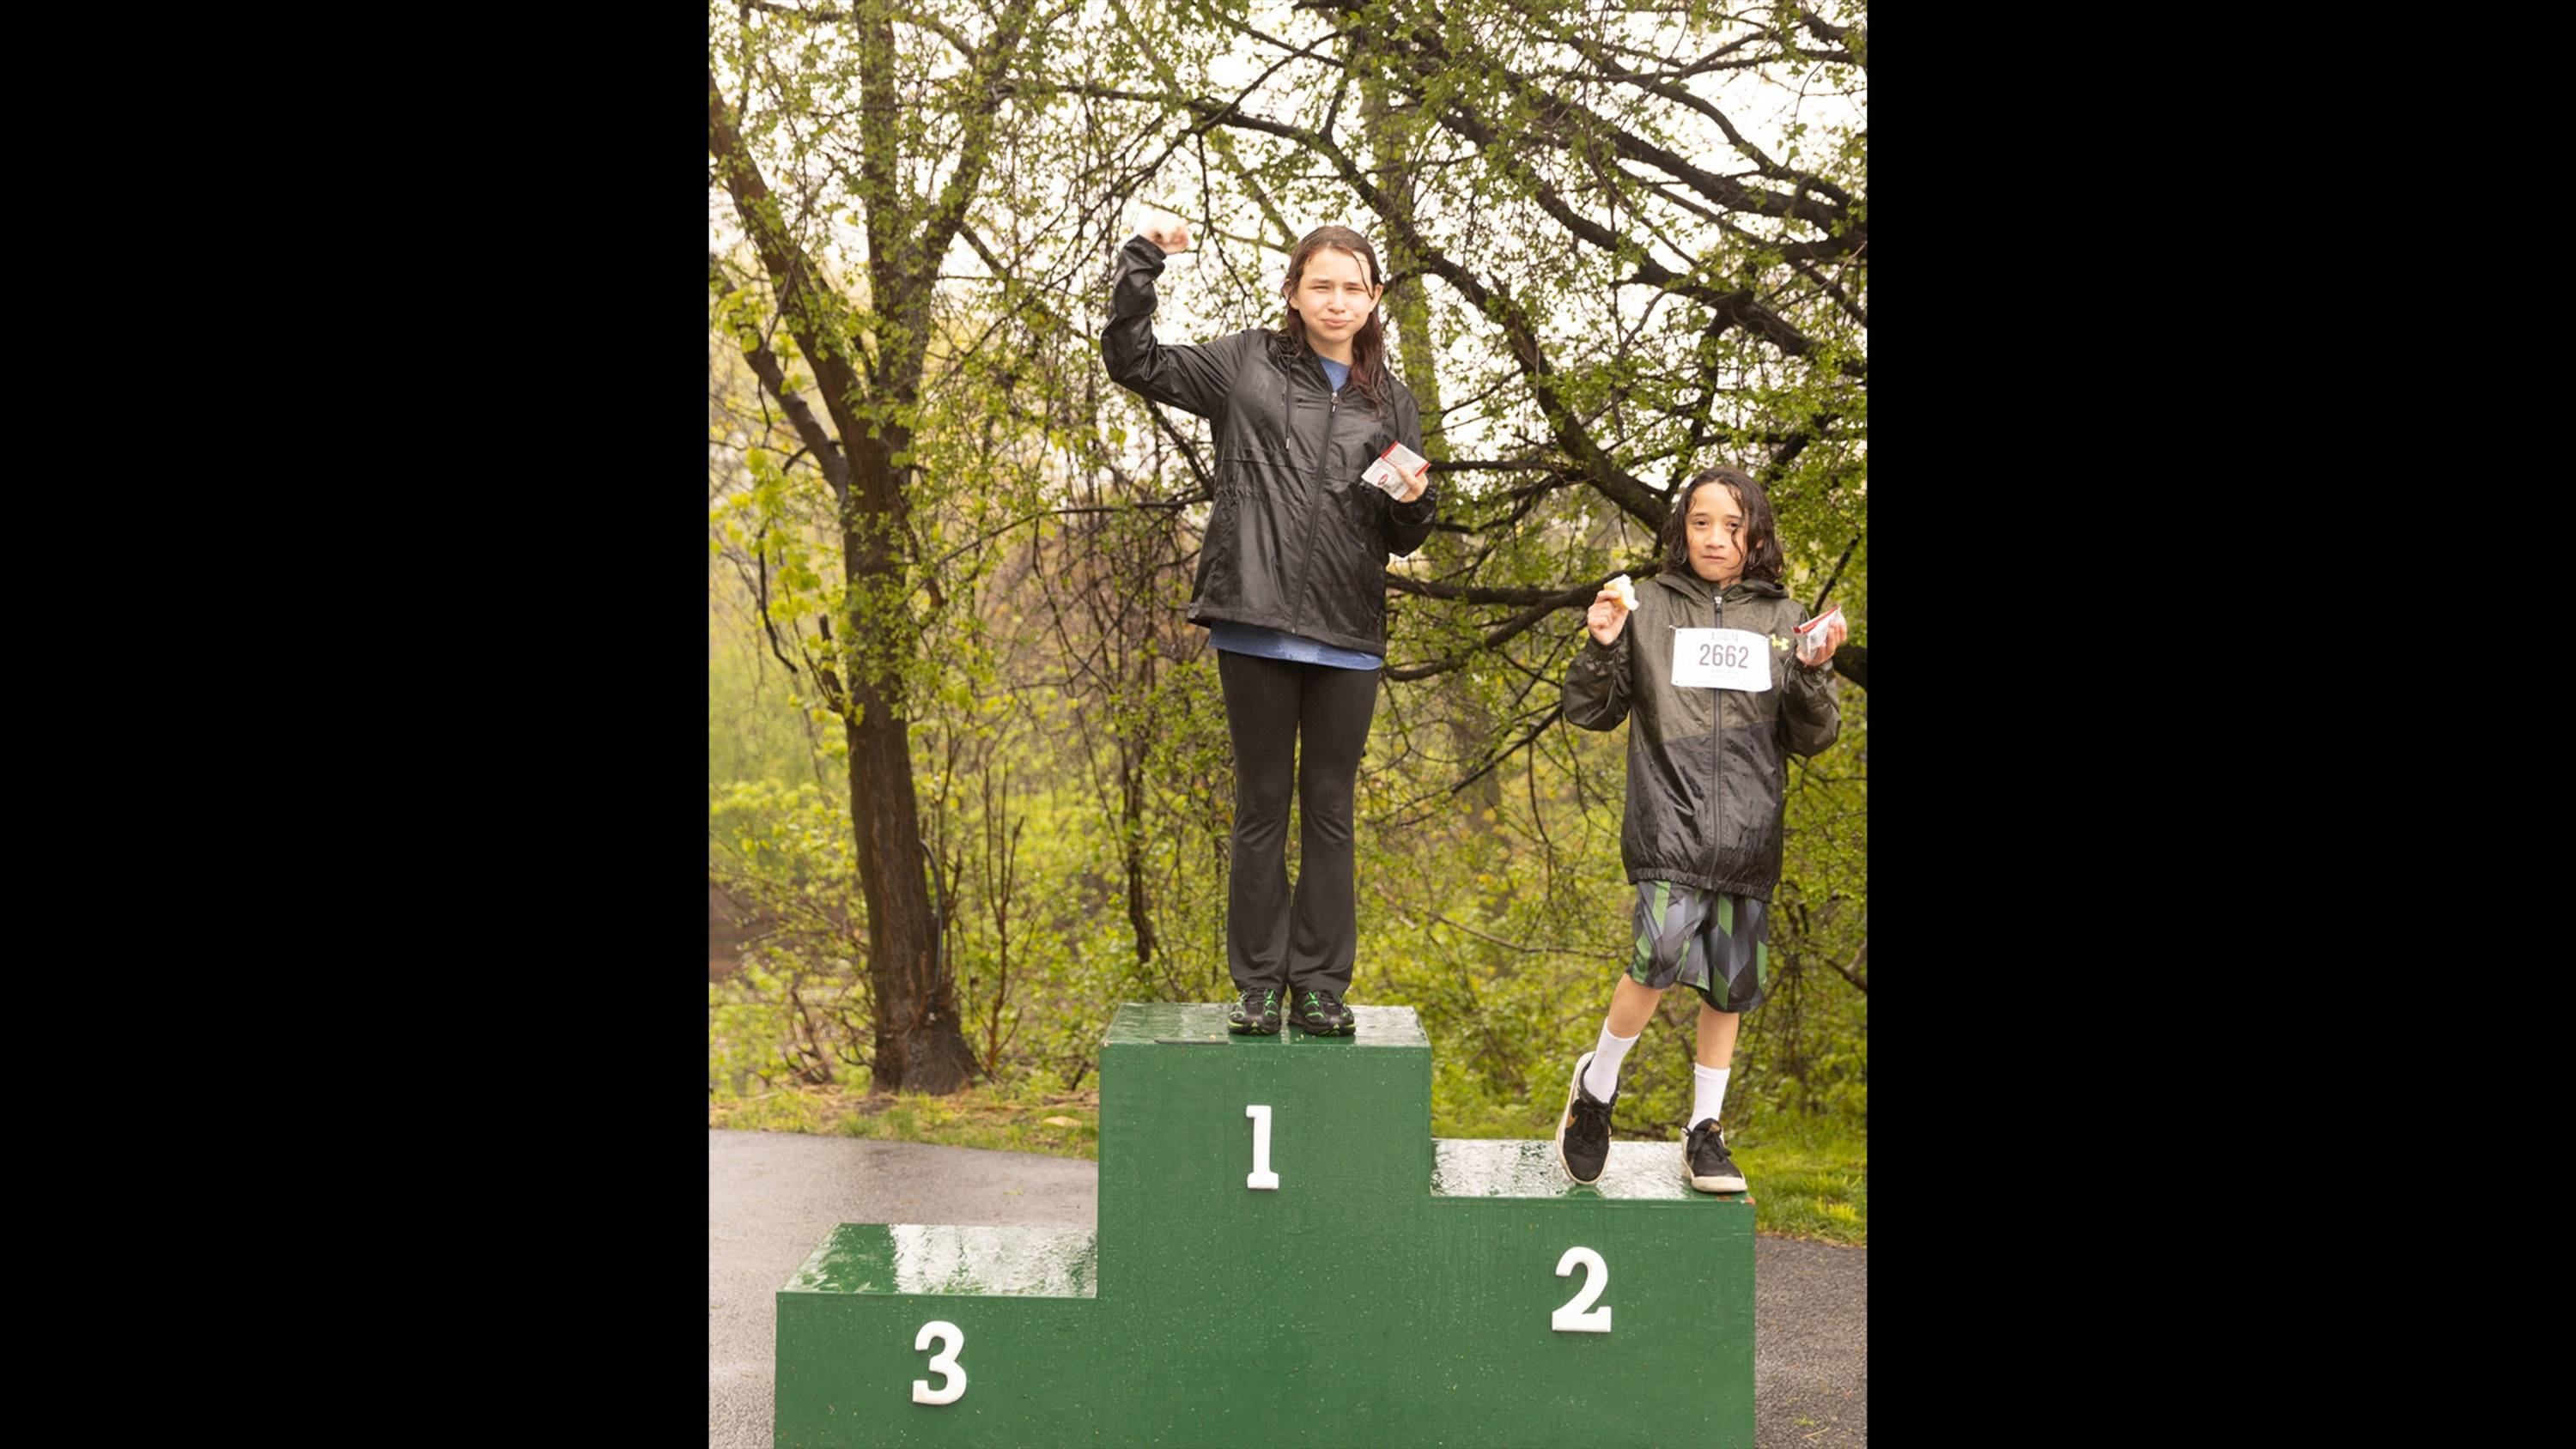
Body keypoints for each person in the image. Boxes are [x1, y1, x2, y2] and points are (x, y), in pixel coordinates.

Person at [1103, 214, 1437, 1037]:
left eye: (1351, 288)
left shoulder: (1393, 402)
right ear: (1293, 293)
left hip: (1347, 633)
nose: (1335, 300)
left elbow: (1405, 535)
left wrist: (1418, 501)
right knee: (1261, 805)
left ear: (1373, 300)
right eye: (1320, 285)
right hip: (1251, 617)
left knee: (1330, 808)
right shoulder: (1245, 363)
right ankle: (1256, 985)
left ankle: (1320, 984)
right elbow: (1133, 360)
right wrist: (1143, 263)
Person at [1553, 465, 1844, 1191]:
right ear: (1681, 531)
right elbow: (1592, 711)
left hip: (1751, 833)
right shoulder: (1645, 605)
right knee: (1657, 954)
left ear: (1757, 537)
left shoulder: (1783, 620)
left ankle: (1704, 1130)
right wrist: (1601, 645)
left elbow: (1813, 737)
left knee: (1730, 986)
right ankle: (1596, 1091)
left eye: (1735, 526)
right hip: (1668, 824)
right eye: (1703, 522)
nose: (1718, 538)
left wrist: (1813, 672)